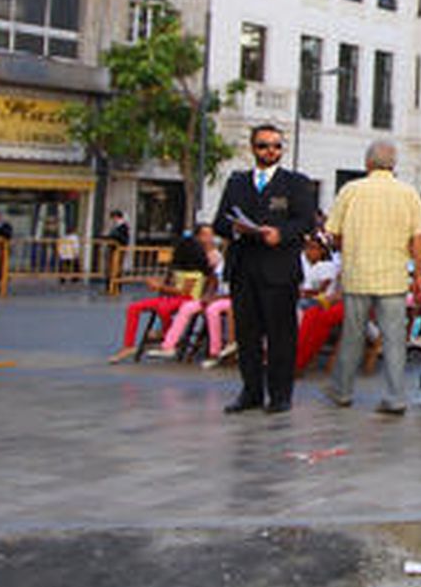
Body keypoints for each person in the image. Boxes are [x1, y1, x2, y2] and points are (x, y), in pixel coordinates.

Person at [212, 123, 315, 414]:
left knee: (281, 335)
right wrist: (236, 229)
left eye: (276, 146)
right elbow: (219, 222)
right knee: (247, 336)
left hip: (279, 269)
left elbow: (306, 221)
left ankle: (280, 394)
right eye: (264, 145)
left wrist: (281, 233)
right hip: (244, 268)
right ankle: (251, 391)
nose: (271, 151)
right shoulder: (237, 182)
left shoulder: (295, 183)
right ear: (253, 148)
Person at [324, 141, 421, 415]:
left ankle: (342, 391)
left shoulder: (350, 190)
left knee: (353, 335)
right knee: (395, 339)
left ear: (367, 163)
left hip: (357, 274)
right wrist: (418, 274)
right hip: (393, 276)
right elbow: (419, 237)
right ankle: (396, 397)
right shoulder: (408, 193)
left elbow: (333, 233)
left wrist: (349, 247)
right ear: (393, 165)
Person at [109, 230, 217, 364]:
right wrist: (159, 284)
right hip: (173, 298)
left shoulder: (196, 272)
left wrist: (160, 287)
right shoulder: (179, 270)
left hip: (187, 299)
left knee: (163, 308)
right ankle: (129, 345)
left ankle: (167, 334)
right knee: (133, 308)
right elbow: (172, 286)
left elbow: (184, 292)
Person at [146, 224, 222, 360]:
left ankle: (214, 350)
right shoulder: (191, 251)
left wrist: (210, 294)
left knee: (211, 310)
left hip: (207, 293)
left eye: (210, 235)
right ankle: (168, 343)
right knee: (180, 307)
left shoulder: (214, 256)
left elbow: (212, 278)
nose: (209, 238)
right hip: (199, 293)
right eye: (205, 235)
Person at [293, 233, 343, 371]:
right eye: (307, 248)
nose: (309, 252)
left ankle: (297, 356)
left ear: (322, 251)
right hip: (311, 300)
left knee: (299, 310)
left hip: (321, 302)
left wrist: (302, 292)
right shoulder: (306, 265)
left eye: (313, 248)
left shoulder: (327, 266)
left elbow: (321, 289)